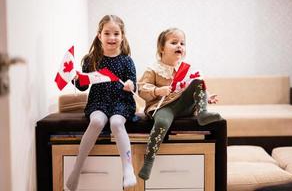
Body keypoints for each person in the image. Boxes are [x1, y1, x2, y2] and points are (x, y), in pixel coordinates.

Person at [138, 28, 222, 180]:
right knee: (162, 122)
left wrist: (206, 97)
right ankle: (149, 160)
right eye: (174, 42)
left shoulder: (186, 68)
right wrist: (157, 90)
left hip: (184, 105)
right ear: (162, 48)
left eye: (182, 43)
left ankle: (202, 113)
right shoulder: (154, 69)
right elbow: (141, 88)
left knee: (198, 81)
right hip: (164, 106)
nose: (179, 46)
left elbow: (192, 86)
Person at [66, 15, 137, 190]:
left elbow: (134, 84)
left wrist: (130, 85)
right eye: (107, 33)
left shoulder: (127, 60)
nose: (112, 37)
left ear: (122, 36)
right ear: (99, 35)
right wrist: (74, 78)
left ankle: (127, 168)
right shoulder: (90, 60)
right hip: (98, 101)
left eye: (116, 33)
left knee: (116, 123)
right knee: (97, 121)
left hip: (121, 102)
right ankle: (76, 169)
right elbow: (83, 87)